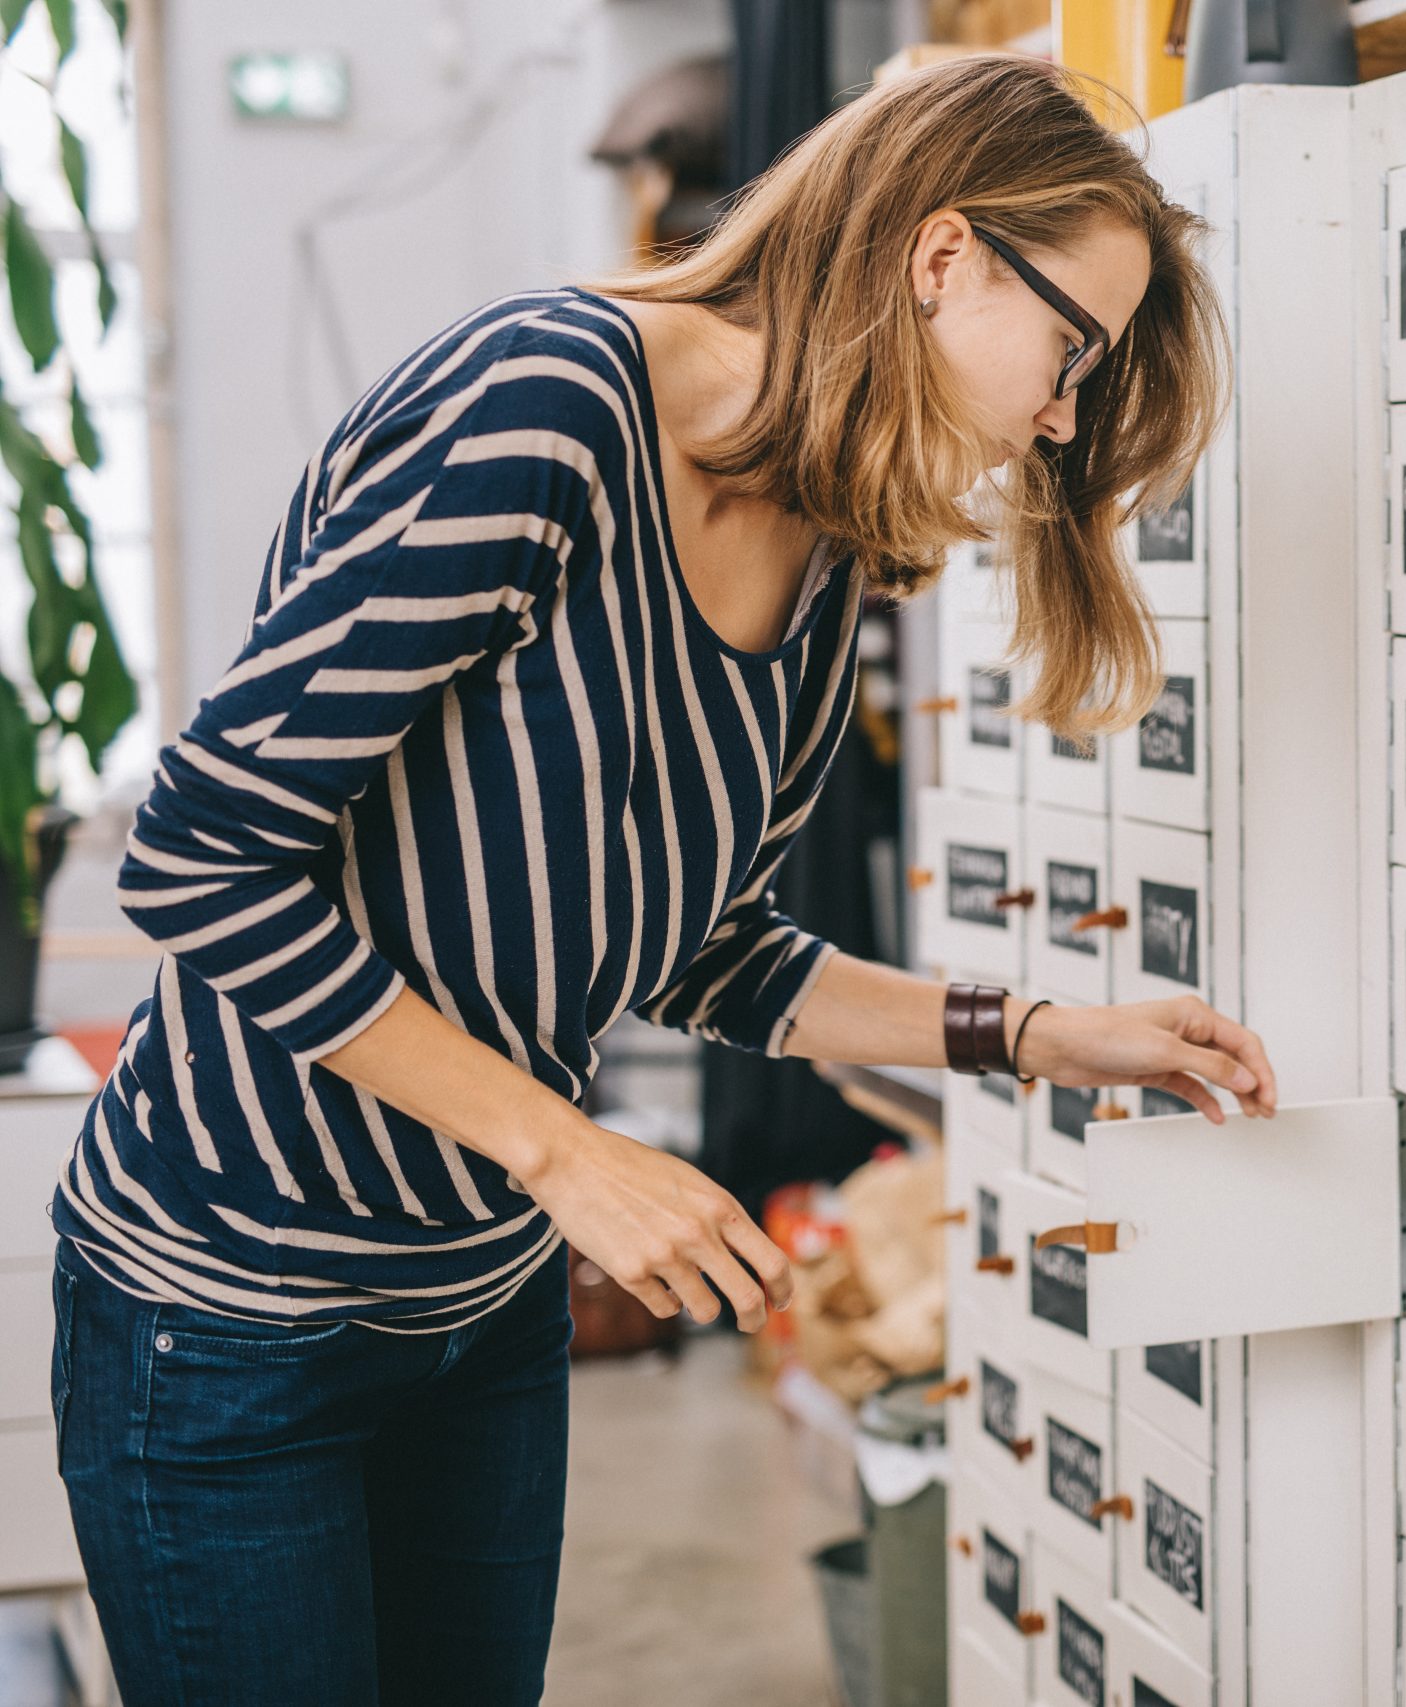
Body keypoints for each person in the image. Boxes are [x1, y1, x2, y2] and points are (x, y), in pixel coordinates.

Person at [49, 56, 1267, 1707]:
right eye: (1070, 352)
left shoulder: (829, 544)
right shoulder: (546, 405)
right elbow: (199, 851)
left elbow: (714, 954)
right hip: (229, 1320)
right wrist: (567, 1153)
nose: (1060, 416)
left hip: (480, 1316)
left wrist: (1044, 1035)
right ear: (943, 254)